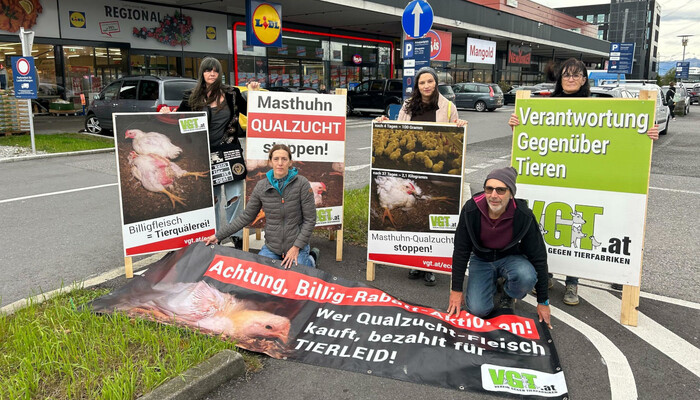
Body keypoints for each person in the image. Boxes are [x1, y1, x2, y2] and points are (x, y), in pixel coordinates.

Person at [508, 58, 659, 305]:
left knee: (575, 231)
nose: (570, 79)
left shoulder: (594, 106)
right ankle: (544, 277)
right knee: (546, 228)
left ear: (584, 79)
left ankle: (572, 284)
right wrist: (516, 124)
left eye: (576, 75)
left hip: (580, 180)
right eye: (566, 75)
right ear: (559, 79)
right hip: (550, 176)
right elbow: (529, 135)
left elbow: (624, 132)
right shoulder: (544, 106)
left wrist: (647, 134)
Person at [375, 66, 467, 286]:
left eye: (430, 81)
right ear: (417, 86)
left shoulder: (448, 107)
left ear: (436, 82)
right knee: (415, 208)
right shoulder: (408, 106)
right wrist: (385, 124)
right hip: (412, 162)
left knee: (427, 216)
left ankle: (431, 265)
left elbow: (454, 132)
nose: (426, 86)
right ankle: (415, 263)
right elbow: (398, 130)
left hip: (435, 165)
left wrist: (460, 125)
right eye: (422, 82)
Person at [161, 57, 259, 248]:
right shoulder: (191, 97)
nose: (211, 74)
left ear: (220, 73)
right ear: (202, 73)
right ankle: (212, 235)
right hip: (204, 154)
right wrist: (165, 112)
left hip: (230, 151)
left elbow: (253, 111)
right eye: (207, 70)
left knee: (235, 195)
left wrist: (254, 94)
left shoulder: (232, 93)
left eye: (215, 71)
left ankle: (236, 233)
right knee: (211, 198)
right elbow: (178, 120)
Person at [447, 167, 552, 328]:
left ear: (511, 193)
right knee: (478, 310)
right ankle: (491, 282)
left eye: (501, 190)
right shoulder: (471, 210)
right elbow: (461, 250)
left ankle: (508, 294)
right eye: (489, 189)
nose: (494, 195)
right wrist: (456, 290)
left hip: (510, 258)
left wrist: (543, 301)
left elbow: (538, 256)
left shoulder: (523, 215)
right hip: (481, 259)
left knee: (526, 277)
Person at [205, 144, 319, 269]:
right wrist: (218, 236)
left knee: (297, 276)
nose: (280, 163)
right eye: (276, 159)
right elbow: (246, 216)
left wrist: (297, 247)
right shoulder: (261, 186)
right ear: (270, 162)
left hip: (297, 246)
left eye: (284, 159)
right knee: (258, 272)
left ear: (290, 162)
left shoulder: (302, 183)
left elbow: (310, 219)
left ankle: (311, 257)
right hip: (272, 248)